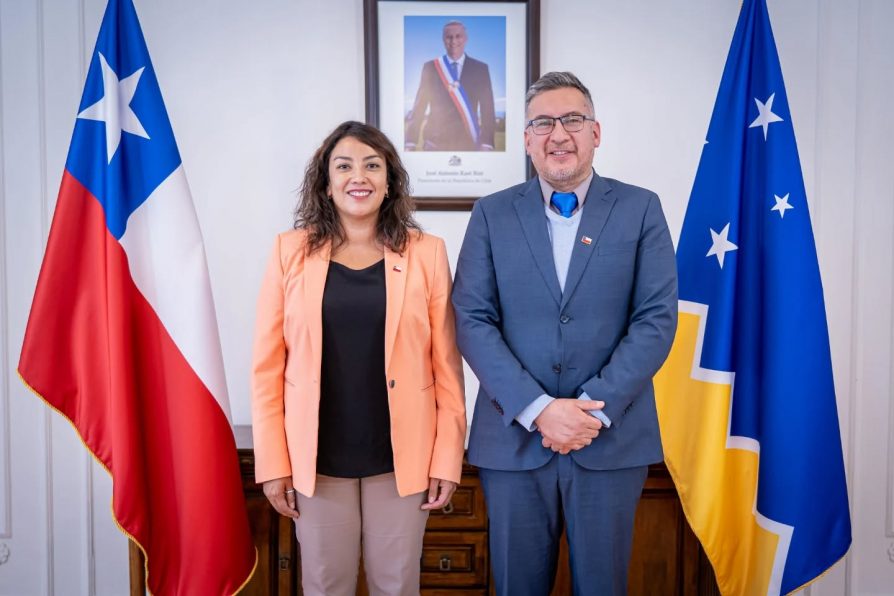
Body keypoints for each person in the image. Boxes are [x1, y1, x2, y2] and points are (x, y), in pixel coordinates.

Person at [452, 72, 678, 595]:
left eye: (572, 119)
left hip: (610, 439)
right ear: (527, 139)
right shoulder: (491, 214)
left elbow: (656, 318)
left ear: (595, 132)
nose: (559, 133)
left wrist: (587, 410)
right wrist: (539, 408)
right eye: (543, 122)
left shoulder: (641, 208)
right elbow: (472, 318)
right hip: (513, 441)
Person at [252, 121, 467, 596]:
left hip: (402, 461)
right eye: (344, 166)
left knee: (397, 586)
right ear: (326, 184)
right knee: (326, 586)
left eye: (373, 165)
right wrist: (273, 464)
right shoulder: (289, 251)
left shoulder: (427, 254)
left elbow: (446, 365)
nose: (359, 176)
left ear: (389, 181)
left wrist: (447, 458)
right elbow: (267, 367)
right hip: (317, 460)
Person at [405, 20, 496, 152]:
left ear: (465, 39)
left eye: (458, 36)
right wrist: (410, 142)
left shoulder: (481, 69)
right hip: (434, 143)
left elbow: (488, 109)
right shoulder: (430, 67)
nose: (453, 41)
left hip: (469, 142)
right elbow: (420, 106)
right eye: (449, 37)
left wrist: (487, 143)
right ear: (443, 39)